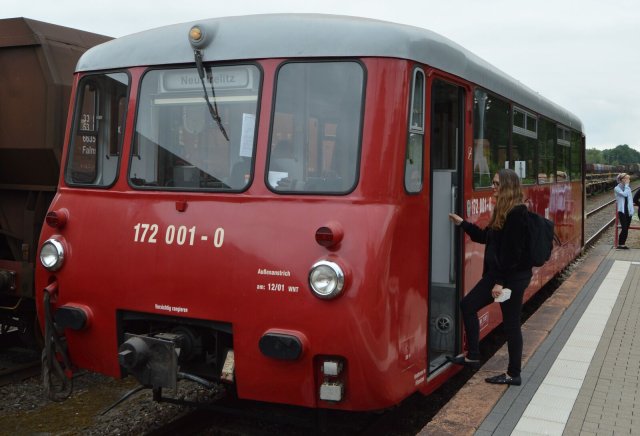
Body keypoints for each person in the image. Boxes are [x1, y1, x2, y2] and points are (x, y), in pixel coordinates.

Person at [447, 168, 533, 386]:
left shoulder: (517, 213)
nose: (493, 187)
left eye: (496, 184)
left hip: (511, 278)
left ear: (507, 186)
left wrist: (500, 283)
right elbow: (487, 237)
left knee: (511, 325)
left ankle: (514, 374)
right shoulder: (503, 211)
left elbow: (513, 254)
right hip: (499, 275)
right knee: (467, 305)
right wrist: (462, 224)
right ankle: (473, 355)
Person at [614, 173, 633, 249]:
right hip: (622, 211)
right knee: (624, 227)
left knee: (627, 228)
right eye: (627, 179)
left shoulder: (627, 187)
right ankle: (620, 243)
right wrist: (627, 186)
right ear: (623, 180)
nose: (629, 180)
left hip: (629, 210)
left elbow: (630, 199)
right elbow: (624, 194)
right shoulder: (617, 188)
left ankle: (622, 244)